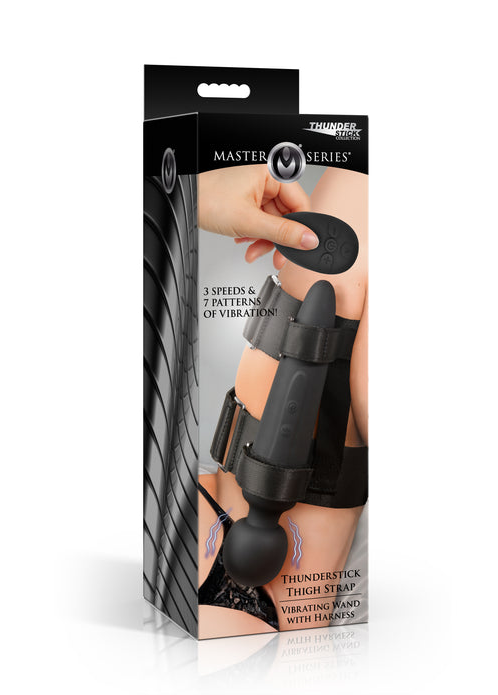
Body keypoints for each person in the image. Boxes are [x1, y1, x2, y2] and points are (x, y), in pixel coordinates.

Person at [197, 165, 368, 638]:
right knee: (335, 270)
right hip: (266, 603)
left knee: (335, 262)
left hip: (225, 507)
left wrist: (196, 193)